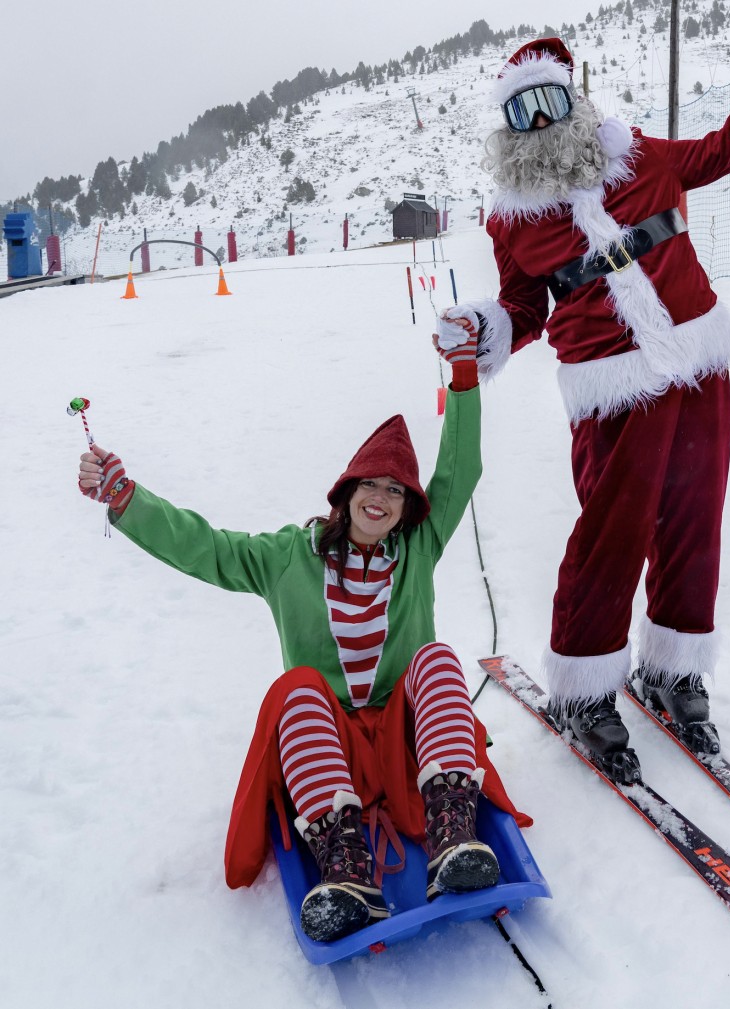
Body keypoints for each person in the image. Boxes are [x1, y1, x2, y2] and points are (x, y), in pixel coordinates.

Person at [76, 323, 531, 944]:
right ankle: (346, 869)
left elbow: (460, 467)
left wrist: (462, 376)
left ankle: (454, 833)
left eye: (396, 492)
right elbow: (206, 548)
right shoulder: (290, 556)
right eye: (371, 484)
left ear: (408, 508)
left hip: (408, 752)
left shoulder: (418, 547)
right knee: (296, 686)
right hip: (328, 756)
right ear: (346, 494)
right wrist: (127, 499)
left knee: (437, 659)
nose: (381, 499)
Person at [436, 38, 730, 782]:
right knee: (614, 529)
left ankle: (673, 668)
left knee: (695, 517)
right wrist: (486, 327)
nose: (540, 123)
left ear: (575, 101)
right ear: (505, 128)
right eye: (521, 111)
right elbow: (521, 306)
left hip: (697, 362)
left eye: (550, 102)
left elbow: (719, 149)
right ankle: (585, 685)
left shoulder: (642, 156)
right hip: (607, 386)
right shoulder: (513, 221)